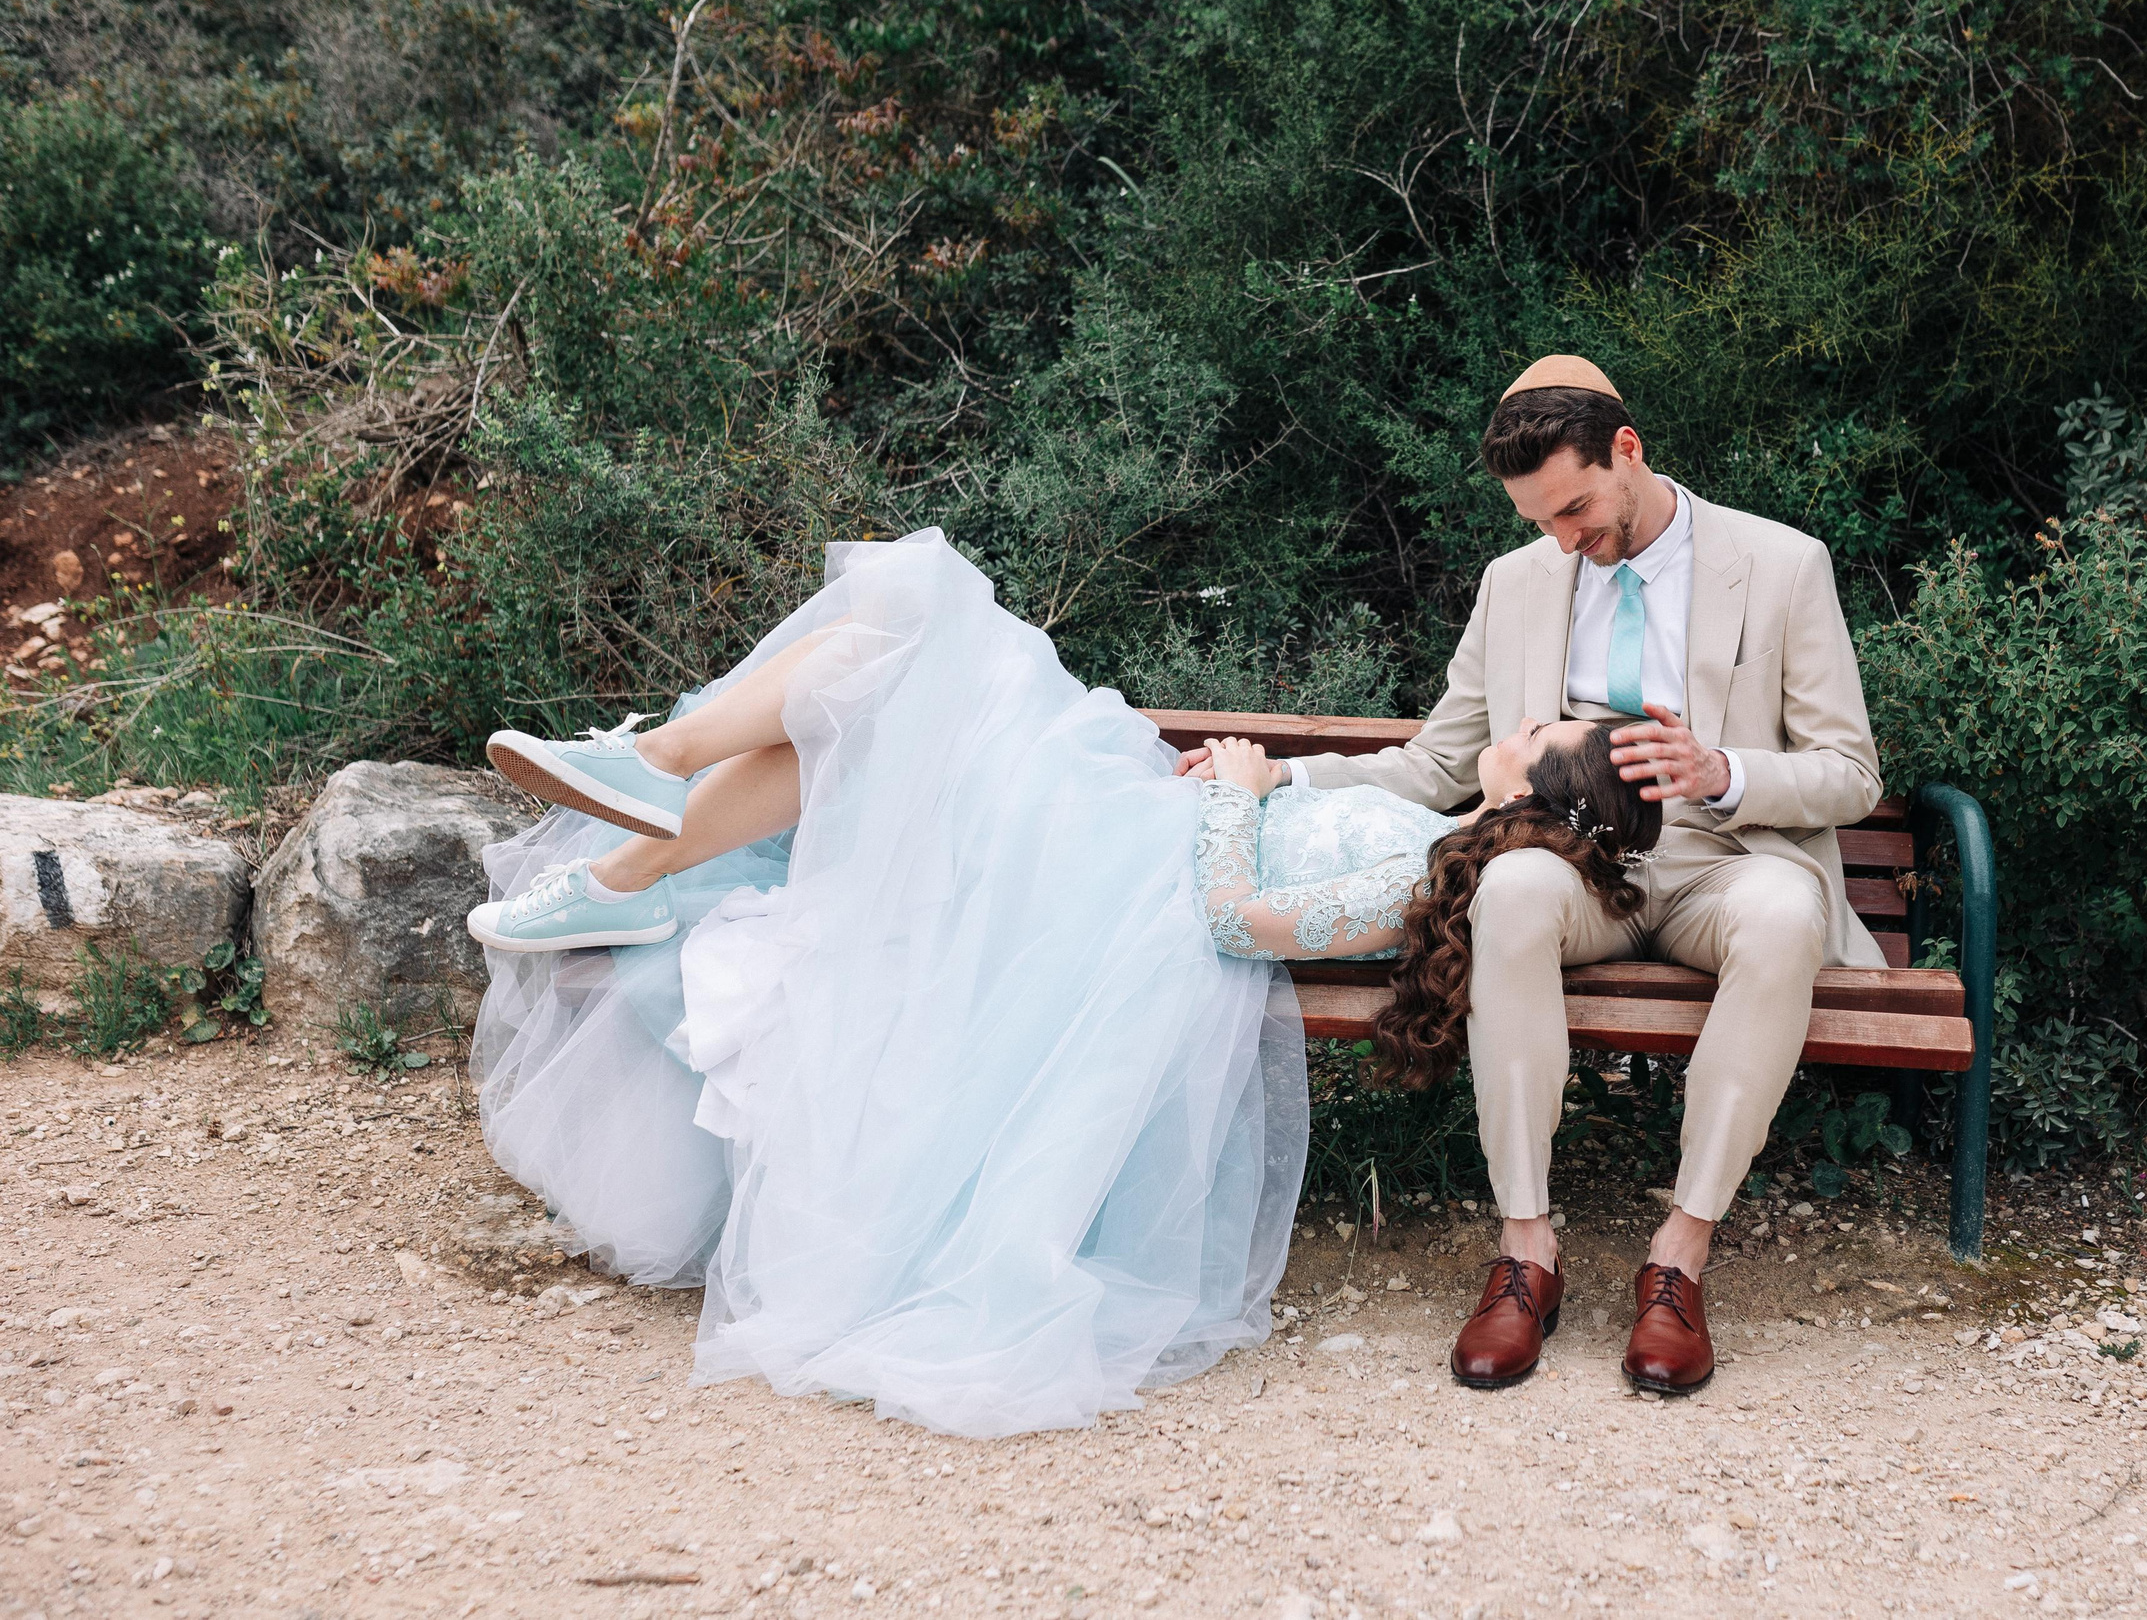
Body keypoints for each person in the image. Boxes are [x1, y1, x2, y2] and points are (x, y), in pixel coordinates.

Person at [462, 528, 1656, 1437]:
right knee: (887, 671)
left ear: (1534, 792)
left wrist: (1236, 800)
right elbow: (1287, 831)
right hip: (1116, 834)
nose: (1522, 724)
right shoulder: (1437, 836)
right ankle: (629, 840)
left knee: (913, 642)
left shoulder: (1422, 878)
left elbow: (1236, 919)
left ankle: (643, 794)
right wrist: (1249, 783)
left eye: (1541, 733)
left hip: (1110, 874)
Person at [1198, 354, 1887, 1396]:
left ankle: (1679, 1257)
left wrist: (1721, 770)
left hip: (1725, 858)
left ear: (1627, 450)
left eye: (1574, 510)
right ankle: (1526, 1250)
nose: (1563, 540)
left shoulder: (1782, 565)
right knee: (1509, 888)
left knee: (1788, 913)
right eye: (1539, 521)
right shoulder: (1514, 583)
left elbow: (1850, 773)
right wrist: (1275, 772)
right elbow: (1437, 760)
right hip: (1575, 863)